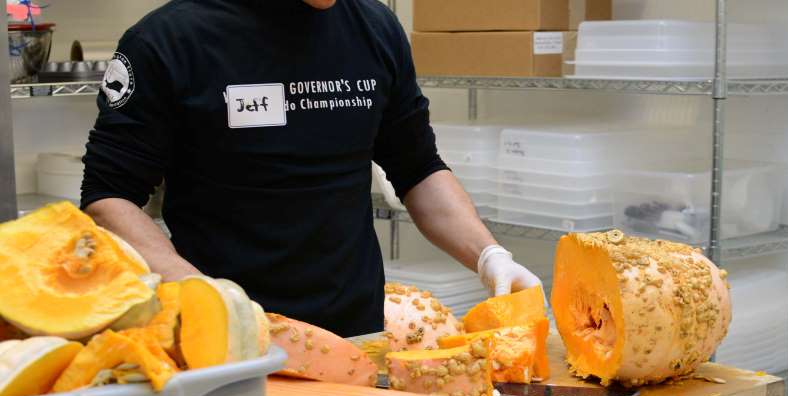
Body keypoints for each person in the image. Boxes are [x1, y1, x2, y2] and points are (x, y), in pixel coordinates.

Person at [81, 0, 542, 337]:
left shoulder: (375, 28)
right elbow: (107, 197)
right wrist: (200, 292)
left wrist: (490, 257)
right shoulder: (168, 41)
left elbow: (418, 169)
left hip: (357, 335)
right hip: (230, 340)